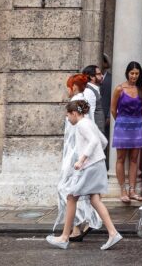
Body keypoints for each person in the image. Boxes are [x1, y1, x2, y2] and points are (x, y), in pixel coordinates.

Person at [46, 99, 122, 250]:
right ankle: (113, 233)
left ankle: (64, 237)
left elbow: (94, 141)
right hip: (97, 164)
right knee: (94, 199)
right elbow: (103, 141)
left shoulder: (81, 125)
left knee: (71, 196)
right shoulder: (89, 123)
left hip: (90, 167)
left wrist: (82, 159)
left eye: (68, 115)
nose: (67, 118)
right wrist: (95, 156)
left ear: (74, 113)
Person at [54, 76, 103, 240]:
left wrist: (78, 158)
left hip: (74, 154)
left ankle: (78, 227)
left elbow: (72, 135)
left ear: (74, 87)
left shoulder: (75, 104)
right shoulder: (84, 101)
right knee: (81, 193)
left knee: (66, 190)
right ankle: (81, 225)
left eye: (68, 86)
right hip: (80, 153)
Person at [111, 61, 142, 203]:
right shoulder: (119, 89)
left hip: (137, 125)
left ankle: (132, 190)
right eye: (132, 73)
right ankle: (123, 190)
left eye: (137, 73)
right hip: (122, 125)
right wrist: (121, 121)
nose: (134, 76)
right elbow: (113, 109)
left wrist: (136, 120)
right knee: (120, 158)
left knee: (134, 159)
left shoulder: (141, 89)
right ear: (127, 73)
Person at [82, 64, 106, 130]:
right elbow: (90, 113)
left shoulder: (94, 89)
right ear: (92, 77)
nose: (102, 76)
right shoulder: (89, 91)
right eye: (99, 74)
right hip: (94, 131)